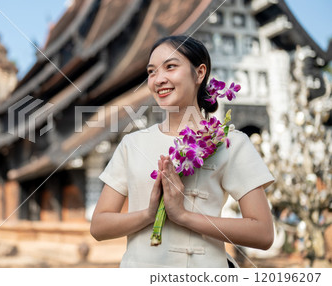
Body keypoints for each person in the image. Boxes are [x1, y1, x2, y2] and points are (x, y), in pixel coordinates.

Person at [90, 35, 275, 268]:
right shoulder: (132, 143)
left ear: (199, 73)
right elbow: (98, 226)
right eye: (151, 72)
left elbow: (263, 233)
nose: (159, 79)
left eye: (170, 66)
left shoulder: (228, 142)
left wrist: (184, 216)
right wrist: (149, 214)